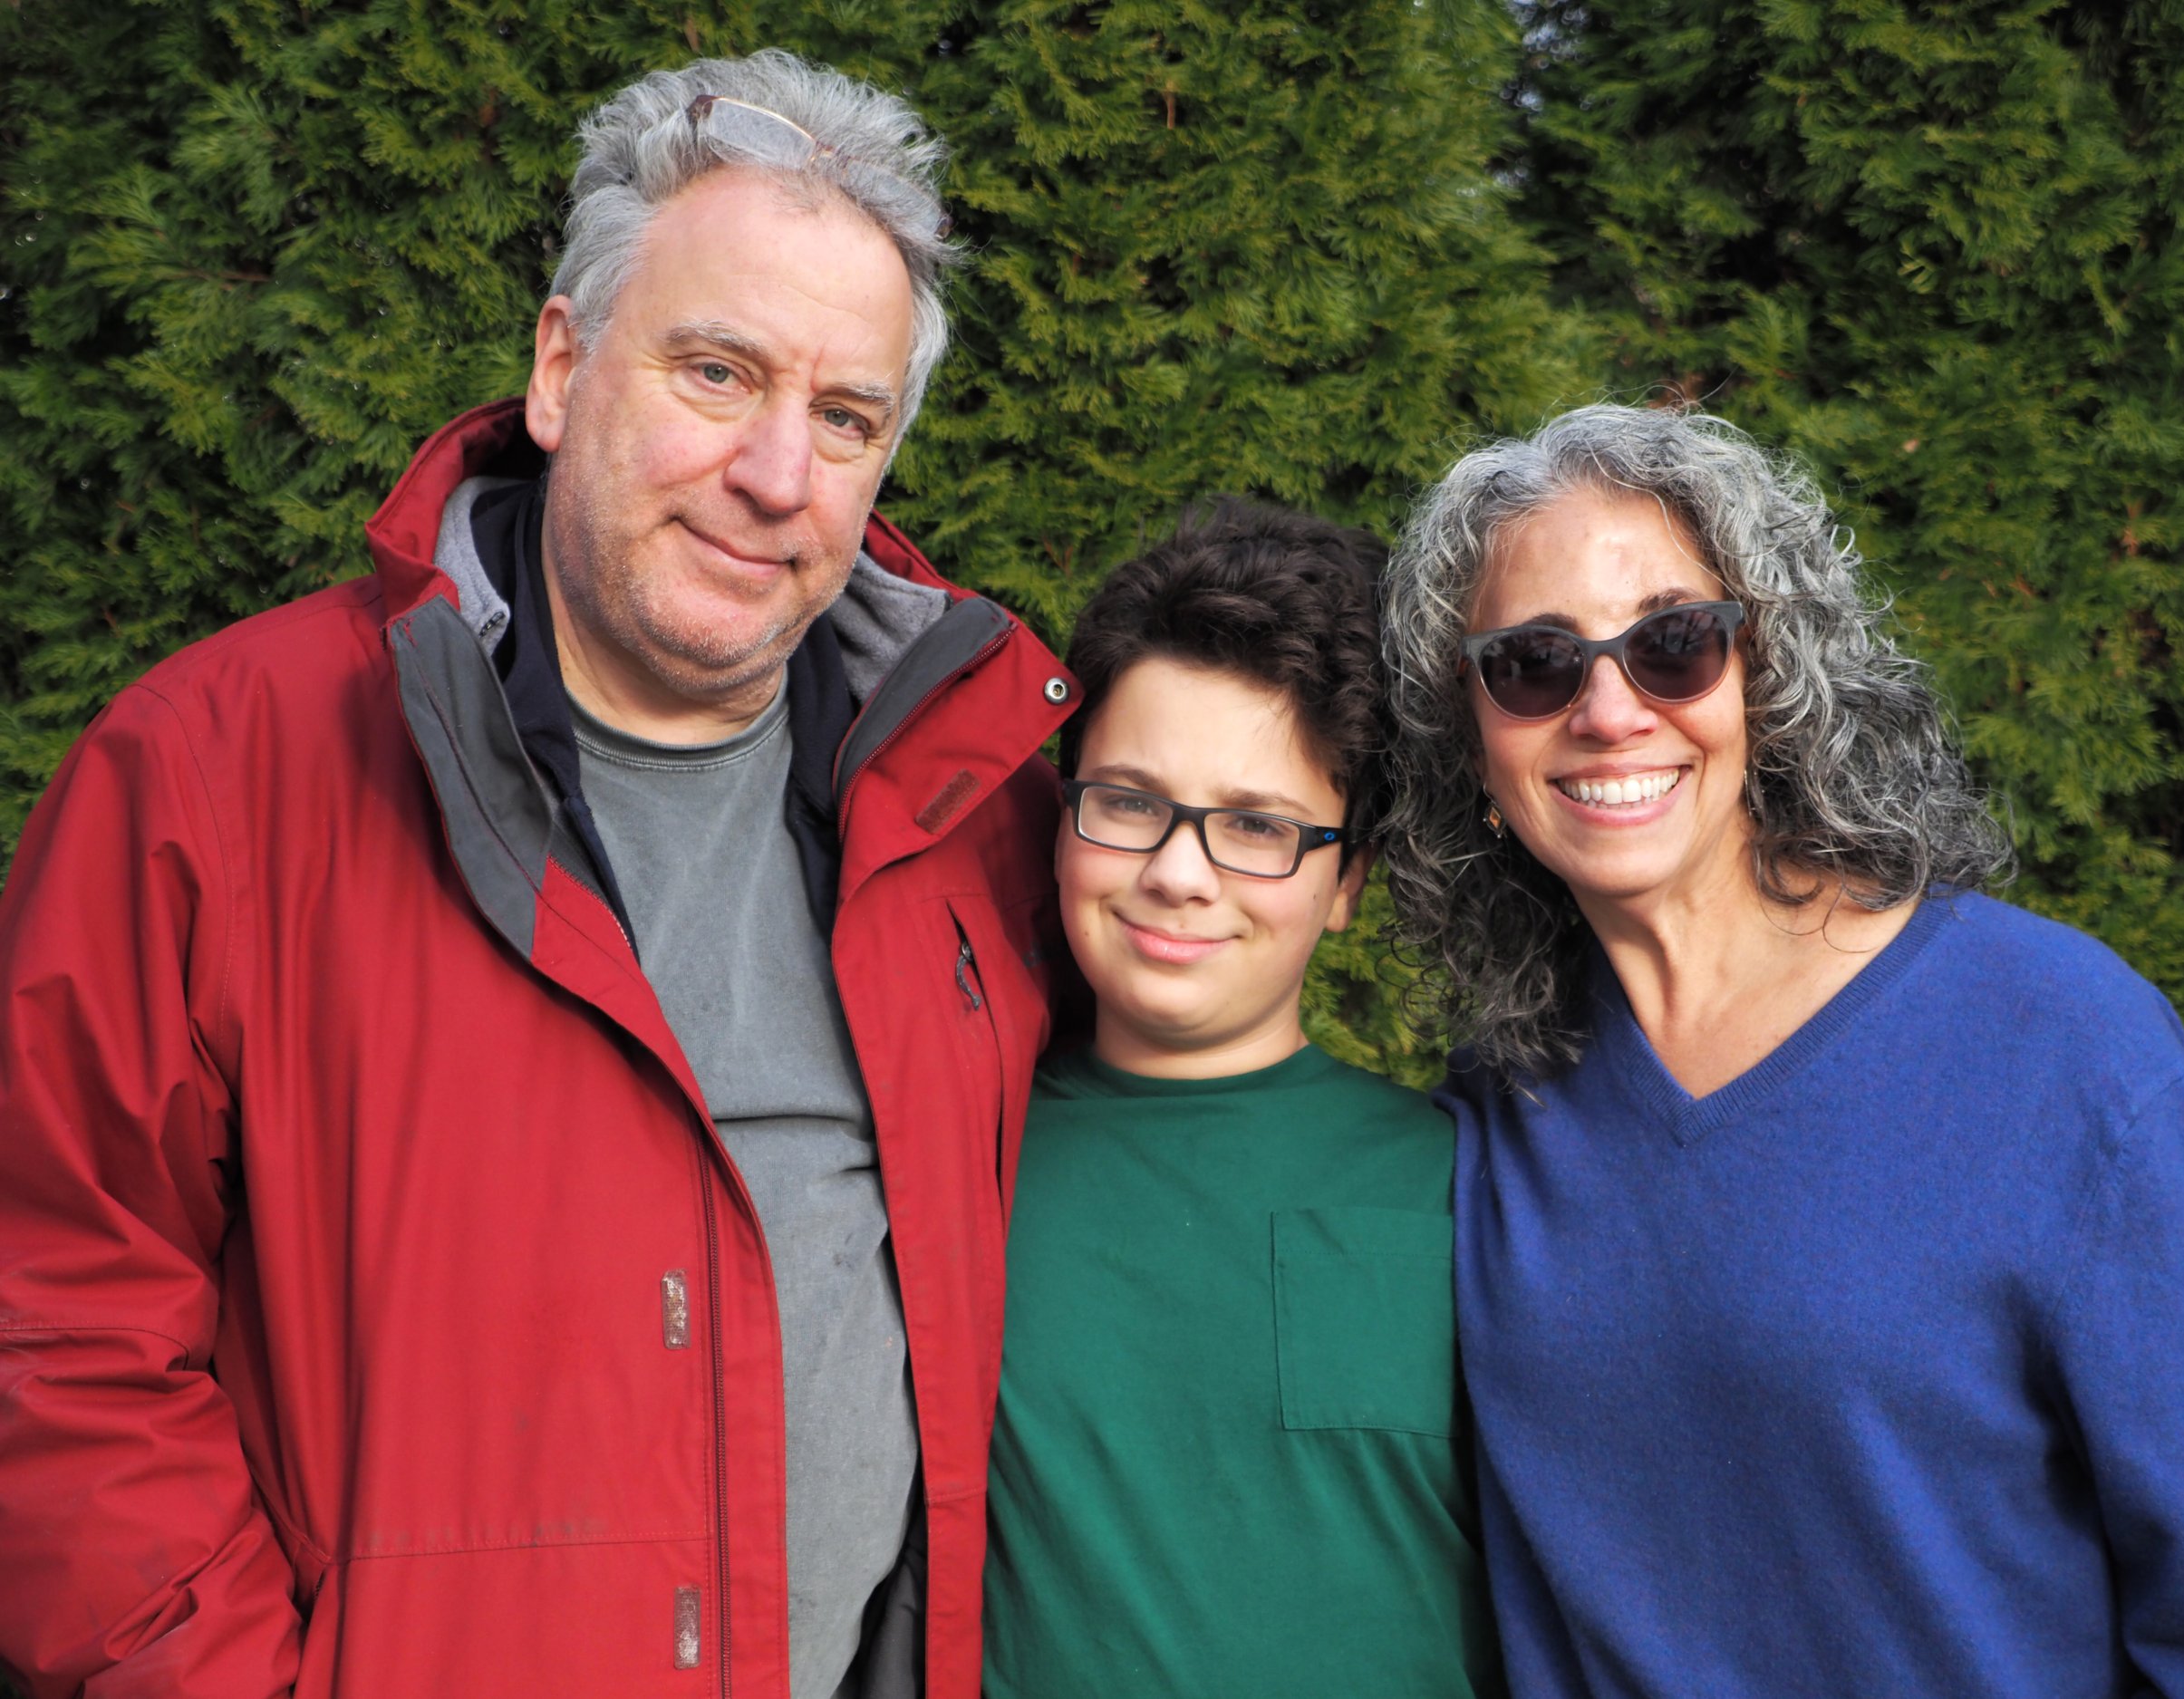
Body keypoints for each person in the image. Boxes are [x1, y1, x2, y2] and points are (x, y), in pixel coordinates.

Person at [0, 51, 1079, 1699]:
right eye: (717, 372)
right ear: (563, 370)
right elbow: (54, 1333)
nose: (778, 473)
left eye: (846, 418)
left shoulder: (970, 813)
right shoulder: (209, 777)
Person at [1378, 401, 2184, 1699]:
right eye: (1533, 663)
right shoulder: (1498, 1100)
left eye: (1673, 644)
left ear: (1766, 671)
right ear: (1471, 735)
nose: (1610, 711)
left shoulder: (2062, 1044)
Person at [981, 501, 1503, 1698]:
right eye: (1128, 801)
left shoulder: (1465, 1188)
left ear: (1346, 881)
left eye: (1257, 826)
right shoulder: (952, 1164)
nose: (1178, 873)